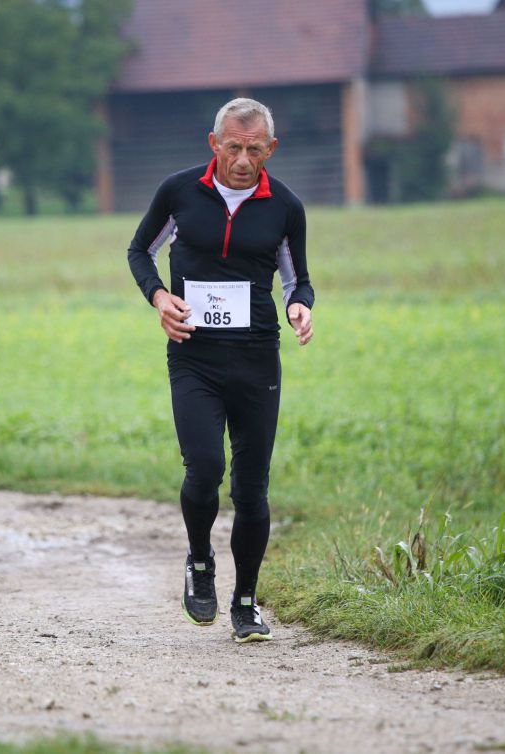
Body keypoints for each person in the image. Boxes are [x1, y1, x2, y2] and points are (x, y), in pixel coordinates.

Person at [128, 98, 314, 643]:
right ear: (214, 144)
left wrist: (299, 306)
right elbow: (140, 251)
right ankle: (199, 560)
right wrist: (159, 296)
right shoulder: (180, 192)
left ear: (270, 149)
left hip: (257, 360)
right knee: (205, 468)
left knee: (252, 489)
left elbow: (298, 278)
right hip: (194, 357)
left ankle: (247, 602)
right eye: (233, 146)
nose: (242, 159)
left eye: (254, 149)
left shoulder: (284, 206)